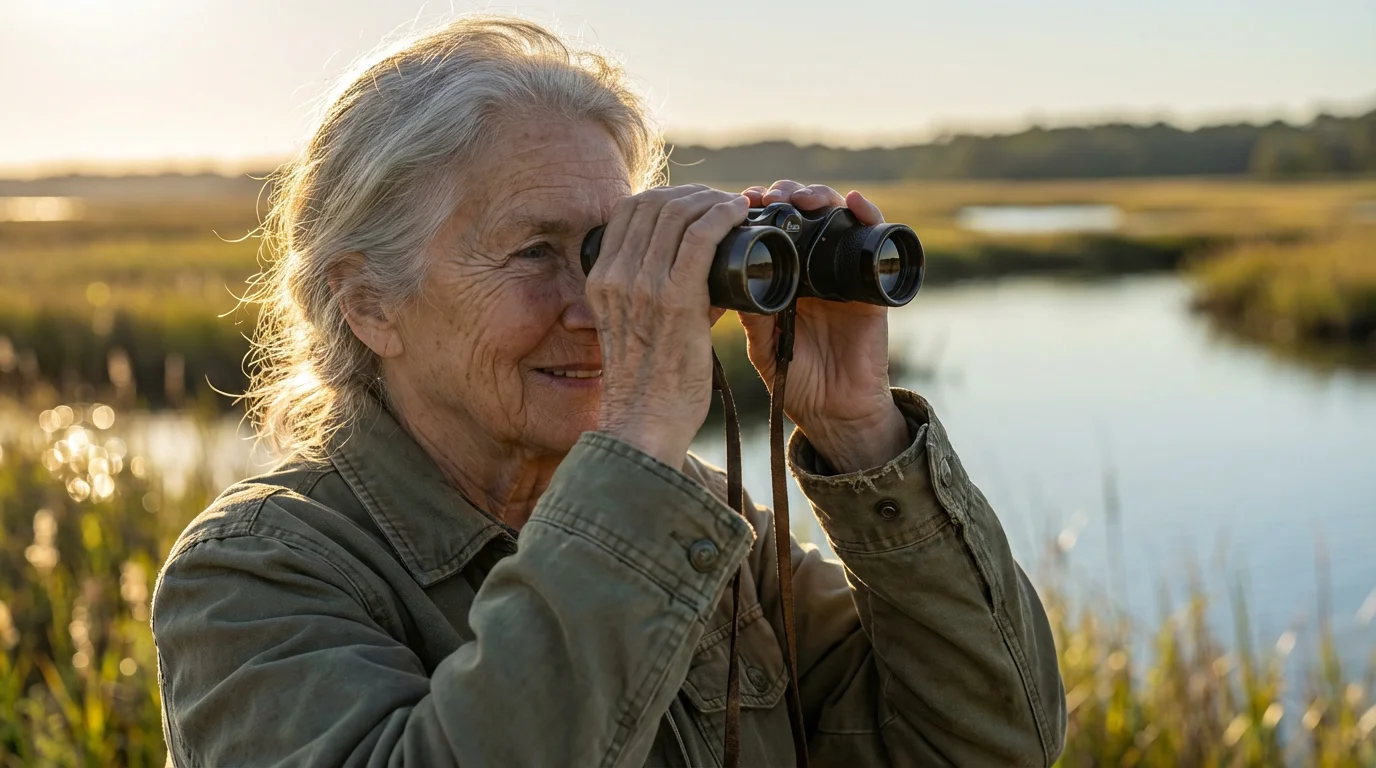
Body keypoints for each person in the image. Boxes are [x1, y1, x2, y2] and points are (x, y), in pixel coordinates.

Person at [151, 15, 1066, 767]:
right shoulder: (252, 578)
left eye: (614, 249)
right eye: (537, 252)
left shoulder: (709, 535)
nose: (600, 302)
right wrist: (636, 443)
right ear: (369, 304)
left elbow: (995, 744)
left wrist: (858, 427)